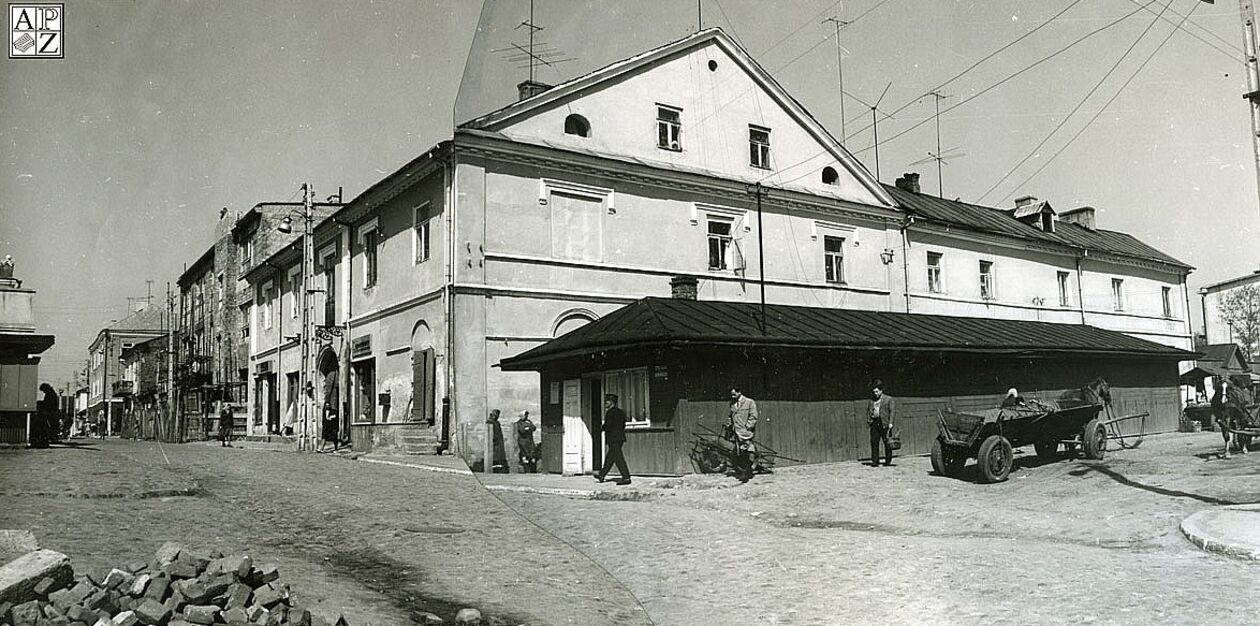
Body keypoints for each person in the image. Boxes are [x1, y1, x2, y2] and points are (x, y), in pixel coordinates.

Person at [595, 394, 631, 485]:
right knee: (610, 457)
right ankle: (602, 474)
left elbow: (608, 426)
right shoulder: (621, 412)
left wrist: (601, 427)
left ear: (611, 402)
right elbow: (622, 425)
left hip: (613, 438)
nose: (605, 403)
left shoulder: (610, 413)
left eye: (607, 401)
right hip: (620, 437)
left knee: (618, 458)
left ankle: (626, 477)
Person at [727, 386, 759, 481]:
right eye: (731, 395)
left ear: (739, 392)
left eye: (734, 394)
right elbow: (731, 416)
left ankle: (748, 473)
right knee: (740, 452)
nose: (732, 397)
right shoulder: (733, 404)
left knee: (749, 451)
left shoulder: (749, 402)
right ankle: (744, 471)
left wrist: (747, 427)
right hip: (736, 432)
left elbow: (753, 417)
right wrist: (729, 425)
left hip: (745, 432)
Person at [867, 380, 895, 467]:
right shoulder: (871, 400)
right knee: (874, 442)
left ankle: (888, 461)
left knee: (887, 442)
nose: (875, 393)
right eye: (874, 392)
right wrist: (869, 420)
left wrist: (891, 423)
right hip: (875, 422)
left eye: (876, 391)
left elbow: (892, 411)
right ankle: (875, 461)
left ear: (881, 391)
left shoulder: (888, 399)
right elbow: (868, 411)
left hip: (885, 423)